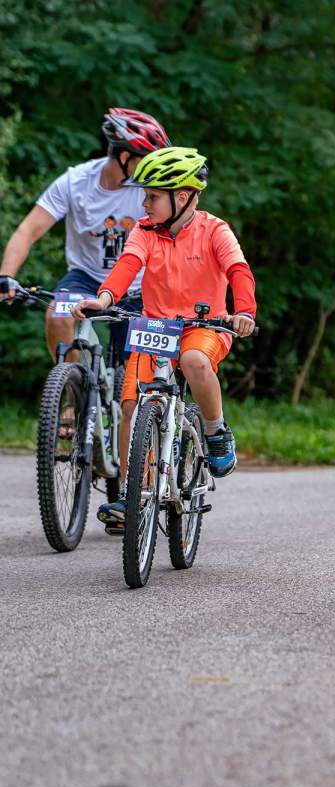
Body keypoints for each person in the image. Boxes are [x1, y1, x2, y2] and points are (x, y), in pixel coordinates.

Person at [71, 147, 257, 529]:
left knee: (194, 361)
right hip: (156, 328)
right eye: (145, 195)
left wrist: (244, 312)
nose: (145, 203)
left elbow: (238, 270)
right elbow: (127, 265)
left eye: (153, 196)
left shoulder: (215, 230)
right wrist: (104, 299)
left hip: (205, 326)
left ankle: (215, 430)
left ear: (183, 197)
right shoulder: (143, 230)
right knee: (130, 406)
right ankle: (131, 495)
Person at [0, 108, 170, 359]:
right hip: (87, 277)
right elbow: (28, 230)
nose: (153, 168)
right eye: (146, 160)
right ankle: (71, 380)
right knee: (57, 315)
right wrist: (6, 276)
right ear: (125, 156)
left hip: (138, 284)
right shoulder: (76, 182)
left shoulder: (151, 189)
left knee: (137, 366)